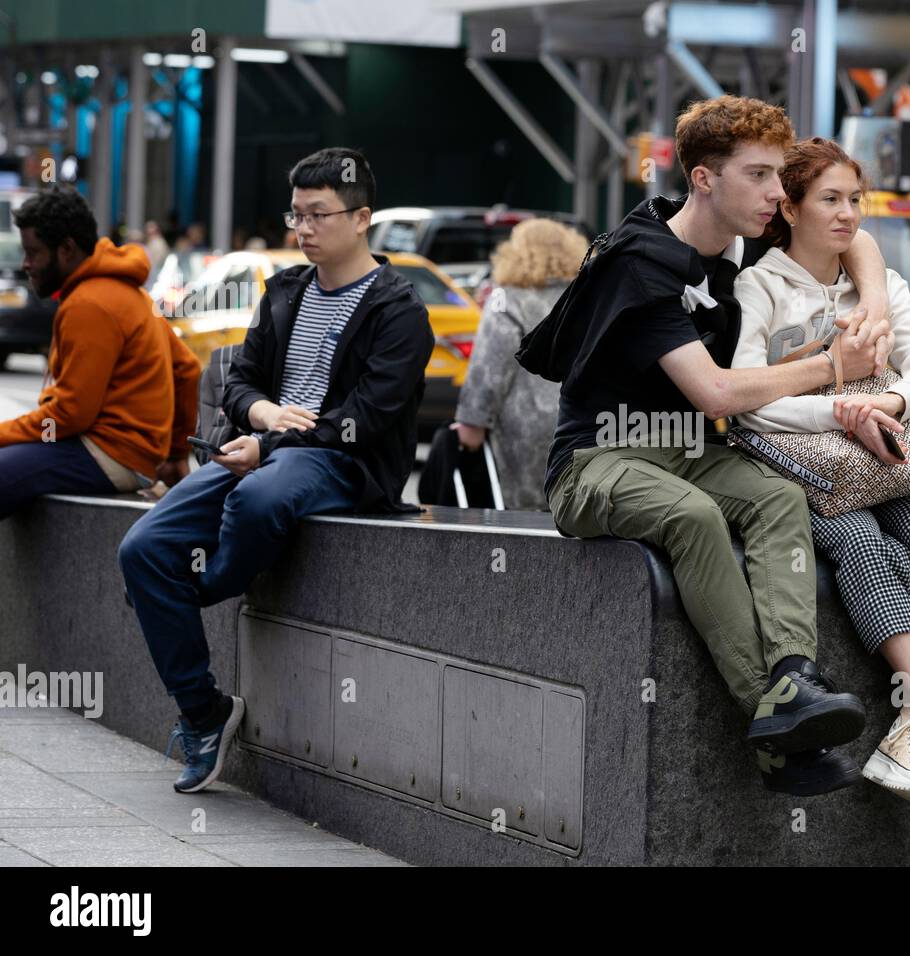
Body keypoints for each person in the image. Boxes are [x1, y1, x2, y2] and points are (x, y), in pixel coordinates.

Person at [518, 95, 898, 796]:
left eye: (780, 177)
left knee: (778, 498)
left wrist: (870, 309)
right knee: (692, 517)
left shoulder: (748, 235)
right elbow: (716, 395)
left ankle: (795, 677)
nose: (777, 194)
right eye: (758, 176)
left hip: (691, 453)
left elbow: (855, 240)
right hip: (597, 460)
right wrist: (838, 367)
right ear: (704, 179)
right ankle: (773, 715)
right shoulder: (643, 262)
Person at [117, 148, 433, 794]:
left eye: (319, 215)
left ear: (362, 217)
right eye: (296, 215)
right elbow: (242, 381)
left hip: (344, 464)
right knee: (143, 548)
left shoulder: (398, 309)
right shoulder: (285, 289)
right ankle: (204, 712)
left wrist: (273, 443)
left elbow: (369, 417)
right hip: (264, 450)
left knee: (259, 502)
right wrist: (259, 415)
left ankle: (202, 590)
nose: (304, 228)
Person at [733, 138, 910, 812]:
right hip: (815, 469)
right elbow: (747, 397)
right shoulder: (758, 285)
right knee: (862, 544)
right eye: (830, 199)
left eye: (855, 199)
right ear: (789, 208)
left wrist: (884, 403)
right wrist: (840, 412)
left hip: (891, 456)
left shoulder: (882, 289)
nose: (848, 213)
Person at [0, 186, 201, 518]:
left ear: (66, 249)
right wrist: (177, 452)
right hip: (131, 456)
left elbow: (70, 414)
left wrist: (4, 433)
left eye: (33, 252)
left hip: (107, 455)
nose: (26, 264)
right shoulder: (129, 292)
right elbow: (187, 369)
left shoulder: (89, 304)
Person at [451, 218, 586, 510]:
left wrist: (471, 422)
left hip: (523, 429)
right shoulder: (586, 297)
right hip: (581, 423)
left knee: (522, 524)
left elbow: (488, 369)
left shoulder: (507, 299)